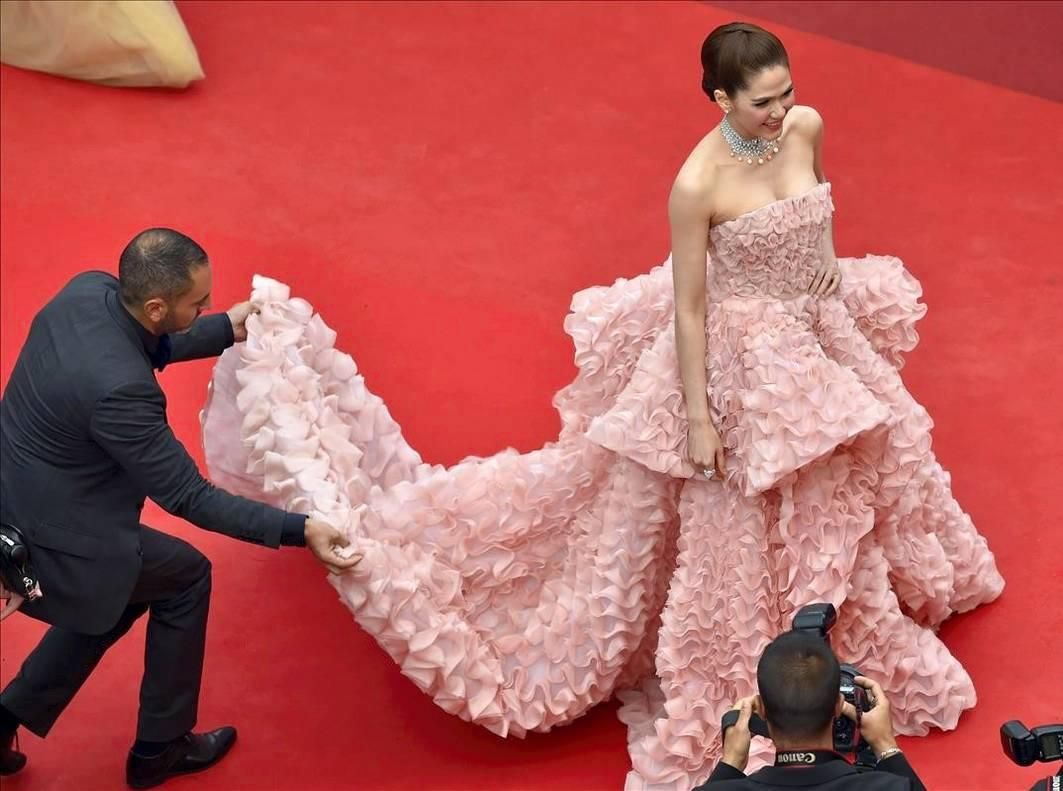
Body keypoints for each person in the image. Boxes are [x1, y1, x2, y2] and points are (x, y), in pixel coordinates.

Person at [199, 21, 1005, 790]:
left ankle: (826, 626)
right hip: (740, 363)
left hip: (816, 334)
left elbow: (819, 196)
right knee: (734, 516)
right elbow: (690, 306)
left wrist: (825, 262)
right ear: (719, 100)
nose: (780, 110)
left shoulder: (804, 127)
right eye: (762, 100)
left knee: (850, 482)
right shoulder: (697, 184)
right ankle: (769, 659)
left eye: (786, 92)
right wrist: (697, 414)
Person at [0, 228, 360, 788]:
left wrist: (227, 329)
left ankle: (3, 720)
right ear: (155, 304)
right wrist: (301, 528)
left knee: (118, 595)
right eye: (200, 304)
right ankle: (160, 751)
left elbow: (142, 342)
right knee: (184, 576)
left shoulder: (86, 291)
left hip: (18, 496)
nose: (208, 307)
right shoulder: (121, 393)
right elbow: (189, 497)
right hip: (54, 538)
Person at [694, 630, 926, 789]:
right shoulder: (890, 787)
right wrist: (886, 746)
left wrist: (731, 763)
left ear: (761, 711)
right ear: (838, 705)